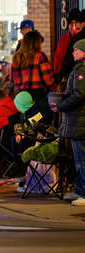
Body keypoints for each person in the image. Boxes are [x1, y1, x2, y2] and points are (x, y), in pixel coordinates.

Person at [55, 38, 85, 206]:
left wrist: (61, 105)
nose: (73, 53)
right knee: (79, 159)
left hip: (80, 120)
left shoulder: (82, 69)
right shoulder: (79, 68)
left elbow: (79, 94)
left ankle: (84, 194)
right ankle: (80, 190)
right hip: (77, 120)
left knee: (82, 160)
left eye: (76, 50)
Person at [11, 30, 55, 118]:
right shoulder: (40, 57)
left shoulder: (16, 58)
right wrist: (55, 89)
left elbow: (12, 79)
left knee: (25, 125)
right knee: (39, 124)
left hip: (21, 98)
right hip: (37, 98)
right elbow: (48, 80)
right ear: (36, 43)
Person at [55, 9, 85, 84]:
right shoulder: (63, 40)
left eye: (76, 24)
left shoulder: (80, 39)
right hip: (66, 78)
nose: (74, 27)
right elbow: (58, 60)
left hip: (78, 76)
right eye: (71, 24)